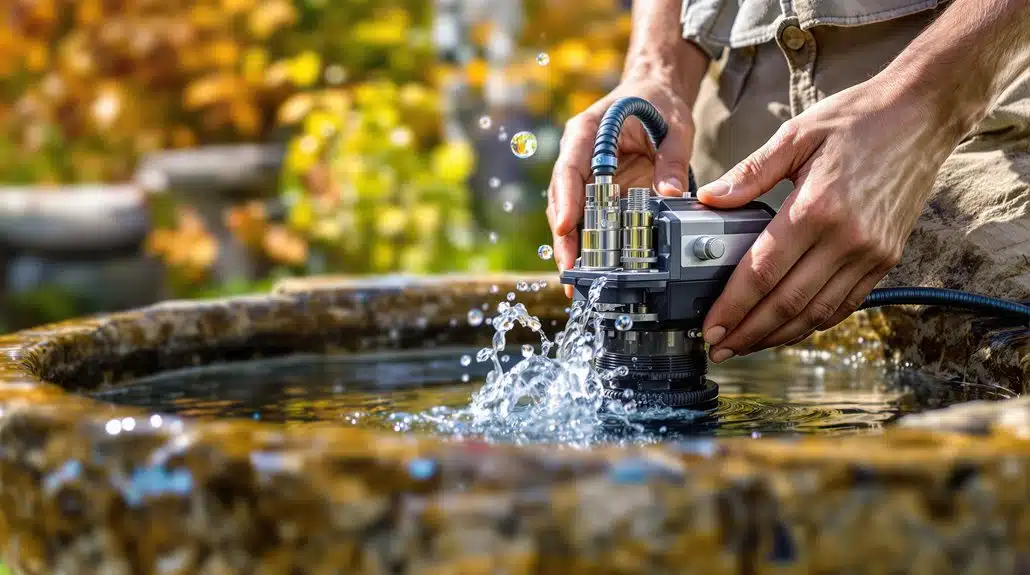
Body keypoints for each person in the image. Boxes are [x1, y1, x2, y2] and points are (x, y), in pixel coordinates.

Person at [546, 0, 1030, 364]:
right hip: (738, 103)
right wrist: (658, 71)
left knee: (993, 362)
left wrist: (926, 104)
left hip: (974, 93)